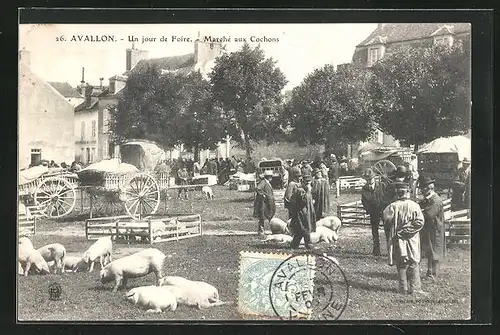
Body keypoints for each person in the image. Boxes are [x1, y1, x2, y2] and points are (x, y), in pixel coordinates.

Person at [383, 182, 427, 296]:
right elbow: (420, 222)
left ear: (397, 193)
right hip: (411, 238)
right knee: (413, 262)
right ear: (407, 192)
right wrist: (408, 230)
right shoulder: (414, 205)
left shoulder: (392, 206)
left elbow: (386, 221)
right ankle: (415, 288)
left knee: (401, 263)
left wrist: (397, 229)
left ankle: (403, 288)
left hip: (398, 238)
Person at [418, 175, 445, 279]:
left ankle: (433, 274)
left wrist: (419, 212)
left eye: (422, 188)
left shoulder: (436, 200)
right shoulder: (427, 199)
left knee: (434, 251)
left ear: (429, 188)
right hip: (429, 229)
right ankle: (430, 272)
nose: (421, 190)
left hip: (435, 230)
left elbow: (429, 214)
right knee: (429, 250)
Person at [361, 169, 386, 256]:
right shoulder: (364, 188)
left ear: (374, 178)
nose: (369, 181)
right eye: (367, 180)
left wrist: (385, 207)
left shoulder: (382, 185)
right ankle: (376, 250)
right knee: (374, 231)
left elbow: (386, 197)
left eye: (370, 179)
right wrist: (368, 209)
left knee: (387, 230)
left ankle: (390, 250)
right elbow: (364, 201)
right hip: (373, 212)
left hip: (383, 210)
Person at [289, 172, 317, 249]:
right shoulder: (300, 190)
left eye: (309, 182)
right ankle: (308, 244)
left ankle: (294, 244)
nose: (308, 184)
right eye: (307, 183)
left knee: (300, 230)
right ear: (303, 182)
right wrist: (308, 191)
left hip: (306, 212)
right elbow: (303, 201)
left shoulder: (305, 190)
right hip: (302, 213)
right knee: (305, 228)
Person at [253, 170, 276, 235]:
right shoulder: (263, 182)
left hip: (268, 202)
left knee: (270, 214)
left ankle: (273, 229)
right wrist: (263, 195)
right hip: (264, 203)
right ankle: (261, 230)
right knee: (262, 216)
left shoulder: (267, 182)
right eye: (271, 177)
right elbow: (258, 188)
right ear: (269, 177)